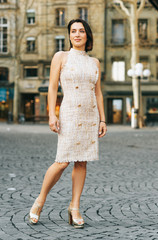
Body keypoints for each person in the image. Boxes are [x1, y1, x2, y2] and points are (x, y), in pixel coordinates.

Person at [28, 18, 107, 229]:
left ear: (87, 35)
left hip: (89, 116)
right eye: (73, 31)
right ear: (69, 35)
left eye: (81, 31)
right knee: (62, 161)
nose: (78, 34)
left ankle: (75, 207)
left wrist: (102, 119)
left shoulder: (95, 63)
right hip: (69, 113)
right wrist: (51, 115)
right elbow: (53, 87)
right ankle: (40, 200)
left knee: (82, 161)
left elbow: (98, 92)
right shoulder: (60, 57)